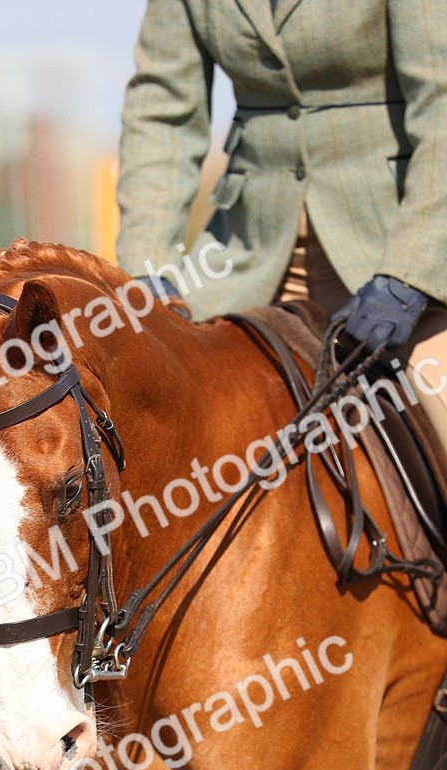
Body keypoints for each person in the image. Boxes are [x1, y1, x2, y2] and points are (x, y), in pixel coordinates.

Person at [115, 0, 447, 458]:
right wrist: (148, 269)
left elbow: (441, 107)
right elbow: (160, 112)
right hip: (244, 254)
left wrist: (411, 271)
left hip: (400, 249)